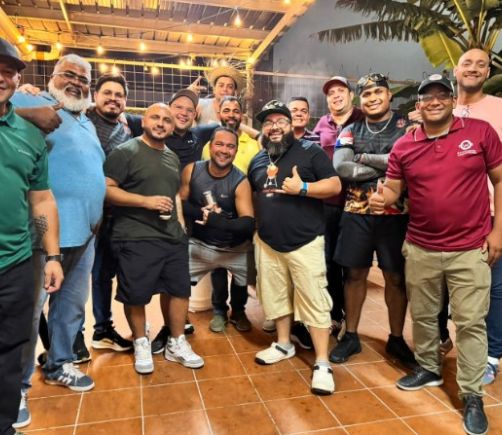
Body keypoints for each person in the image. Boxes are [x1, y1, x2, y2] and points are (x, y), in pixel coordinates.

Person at [369, 73, 502, 435]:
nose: (435, 101)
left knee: (470, 322)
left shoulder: (479, 133)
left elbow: (499, 179)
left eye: (442, 94)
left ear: (451, 100)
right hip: (420, 246)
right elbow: (393, 189)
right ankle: (428, 367)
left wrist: (498, 231)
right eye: (427, 96)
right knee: (425, 315)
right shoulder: (404, 147)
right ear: (419, 104)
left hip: (469, 248)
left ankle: (472, 393)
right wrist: (383, 199)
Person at [12, 53, 105, 408]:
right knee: (28, 313)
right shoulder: (32, 101)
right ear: (52, 76)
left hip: (85, 234)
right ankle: (15, 388)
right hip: (43, 234)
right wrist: (28, 111)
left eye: (84, 79)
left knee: (71, 307)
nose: (77, 83)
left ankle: (58, 364)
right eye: (70, 74)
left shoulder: (86, 122)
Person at [248, 100, 341, 395]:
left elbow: (335, 185)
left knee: (315, 301)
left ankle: (322, 362)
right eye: (268, 122)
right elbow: (254, 194)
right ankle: (283, 344)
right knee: (275, 297)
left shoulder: (310, 152)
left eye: (280, 121)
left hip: (305, 242)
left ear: (290, 125)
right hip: (268, 243)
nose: (274, 127)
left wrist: (303, 188)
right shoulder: (258, 160)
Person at [104, 103, 204, 374]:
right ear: (144, 121)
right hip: (135, 235)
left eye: (167, 120)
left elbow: (174, 195)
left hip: (172, 237)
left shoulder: (171, 156)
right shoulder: (125, 152)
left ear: (173, 127)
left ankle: (176, 342)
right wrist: (145, 202)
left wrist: (180, 225)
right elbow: (107, 189)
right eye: (155, 118)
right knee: (136, 295)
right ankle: (140, 342)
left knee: (179, 291)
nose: (161, 123)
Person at [0, 37, 63, 435]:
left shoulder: (28, 135)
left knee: (9, 351)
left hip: (15, 263)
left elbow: (40, 200)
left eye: (8, 72)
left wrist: (52, 255)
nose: (1, 78)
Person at [331, 73, 415, 368]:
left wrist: (363, 157)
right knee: (354, 275)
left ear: (389, 95)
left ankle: (396, 338)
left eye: (378, 92)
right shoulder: (350, 129)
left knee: (396, 277)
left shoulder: (407, 126)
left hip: (397, 215)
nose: (373, 98)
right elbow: (342, 167)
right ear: (360, 99)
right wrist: (390, 163)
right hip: (357, 213)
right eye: (366, 94)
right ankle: (351, 335)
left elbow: (409, 163)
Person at [454, 48, 502, 385]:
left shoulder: (499, 110)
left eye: (480, 65)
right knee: (456, 291)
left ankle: (491, 354)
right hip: (451, 220)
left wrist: (499, 228)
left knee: (495, 289)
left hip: (490, 215)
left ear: (487, 73)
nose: (473, 69)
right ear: (455, 70)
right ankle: (456, 346)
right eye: (467, 63)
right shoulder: (439, 109)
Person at [181, 126, 255, 332]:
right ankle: (212, 313)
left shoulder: (241, 181)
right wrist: (202, 214)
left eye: (230, 146)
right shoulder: (192, 170)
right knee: (177, 279)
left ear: (236, 150)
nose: (224, 150)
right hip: (201, 244)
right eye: (219, 144)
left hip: (235, 246)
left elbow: (248, 222)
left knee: (242, 281)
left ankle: (238, 312)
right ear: (210, 146)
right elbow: (181, 202)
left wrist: (218, 221)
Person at [199, 96, 260, 333]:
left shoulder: (253, 145)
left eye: (236, 111)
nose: (231, 114)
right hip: (217, 212)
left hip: (244, 214)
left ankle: (239, 310)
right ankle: (218, 310)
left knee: (241, 265)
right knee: (218, 264)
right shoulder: (210, 145)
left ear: (241, 116)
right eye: (227, 110)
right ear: (219, 114)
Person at [86, 74, 134, 353]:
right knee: (84, 276)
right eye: (107, 93)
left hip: (116, 213)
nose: (113, 99)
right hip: (88, 213)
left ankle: (104, 328)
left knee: (105, 273)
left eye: (119, 95)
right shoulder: (82, 118)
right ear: (95, 95)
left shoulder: (125, 126)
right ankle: (78, 336)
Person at [314, 76, 364, 340]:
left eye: (341, 90)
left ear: (351, 95)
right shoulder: (322, 123)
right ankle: (335, 314)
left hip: (357, 203)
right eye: (331, 92)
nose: (336, 95)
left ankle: (351, 320)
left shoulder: (364, 119)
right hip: (328, 204)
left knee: (352, 264)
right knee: (329, 261)